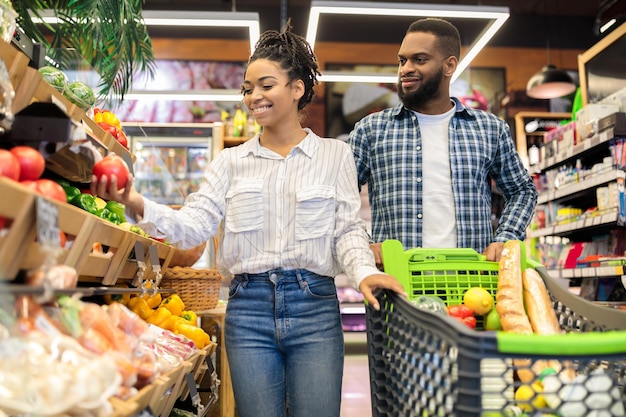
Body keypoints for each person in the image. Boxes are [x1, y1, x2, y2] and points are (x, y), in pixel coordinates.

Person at [91, 24, 405, 417]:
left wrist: (363, 274)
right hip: (248, 309)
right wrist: (136, 203)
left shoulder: (334, 156)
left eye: (266, 85)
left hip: (315, 308)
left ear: (297, 88)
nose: (254, 96)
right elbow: (194, 224)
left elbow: (346, 230)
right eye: (247, 88)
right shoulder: (230, 162)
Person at [347, 18, 538, 264]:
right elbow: (338, 197)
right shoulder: (371, 130)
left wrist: (506, 238)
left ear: (449, 66)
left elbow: (522, 190)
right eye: (402, 60)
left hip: (471, 284)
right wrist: (364, 243)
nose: (405, 68)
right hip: (395, 284)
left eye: (420, 59)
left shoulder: (489, 129)